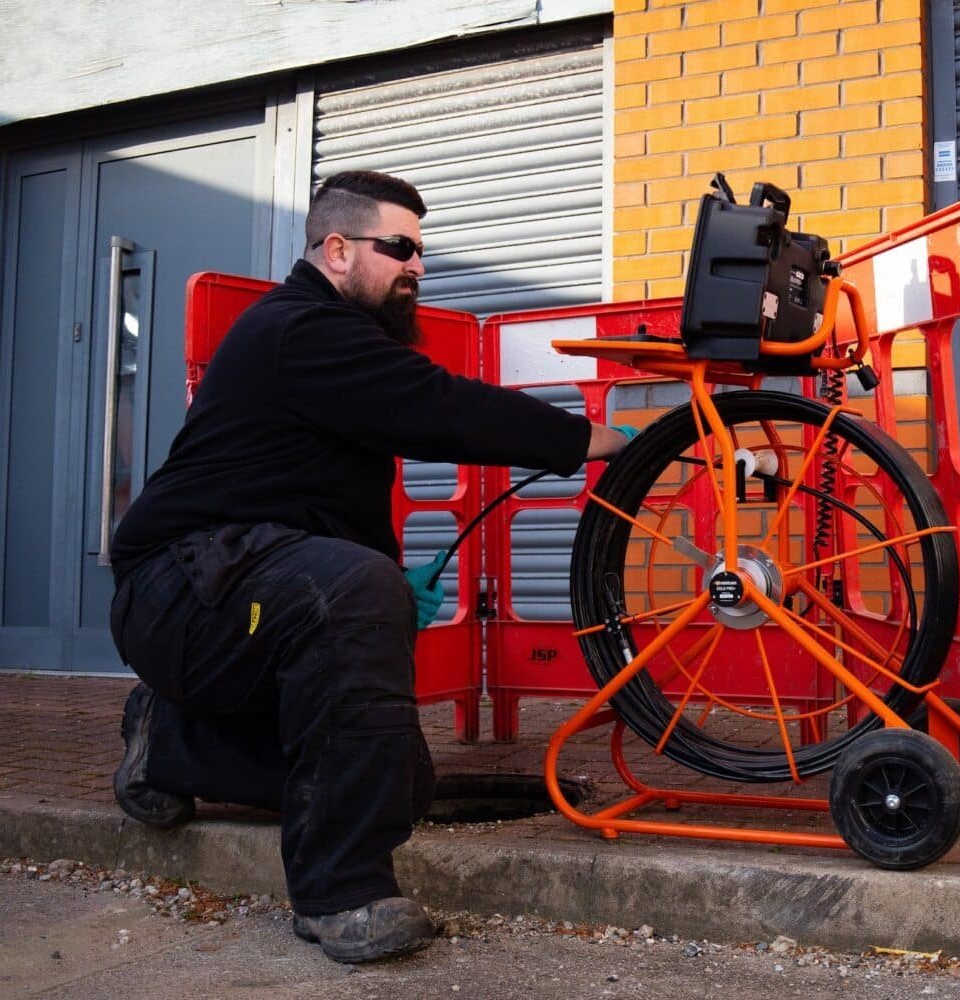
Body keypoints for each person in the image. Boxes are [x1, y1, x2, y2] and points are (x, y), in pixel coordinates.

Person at [106, 170, 632, 964]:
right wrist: (597, 440)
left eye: (421, 252)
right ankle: (341, 895)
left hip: (246, 589)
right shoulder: (300, 328)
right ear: (338, 249)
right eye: (400, 248)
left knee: (399, 781)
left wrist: (388, 581)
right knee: (353, 592)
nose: (417, 266)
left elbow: (326, 512)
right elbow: (443, 407)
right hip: (177, 590)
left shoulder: (338, 346)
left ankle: (171, 742)